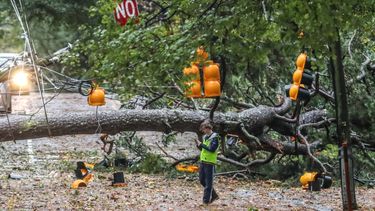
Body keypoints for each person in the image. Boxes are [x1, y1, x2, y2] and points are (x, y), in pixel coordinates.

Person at [195, 119, 220, 205]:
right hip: (203, 161)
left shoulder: (215, 138)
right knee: (202, 180)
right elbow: (204, 149)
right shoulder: (205, 137)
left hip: (210, 162)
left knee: (209, 183)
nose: (203, 131)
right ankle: (214, 195)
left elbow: (212, 149)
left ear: (208, 128)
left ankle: (205, 201)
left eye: (204, 129)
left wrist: (201, 144)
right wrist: (199, 145)